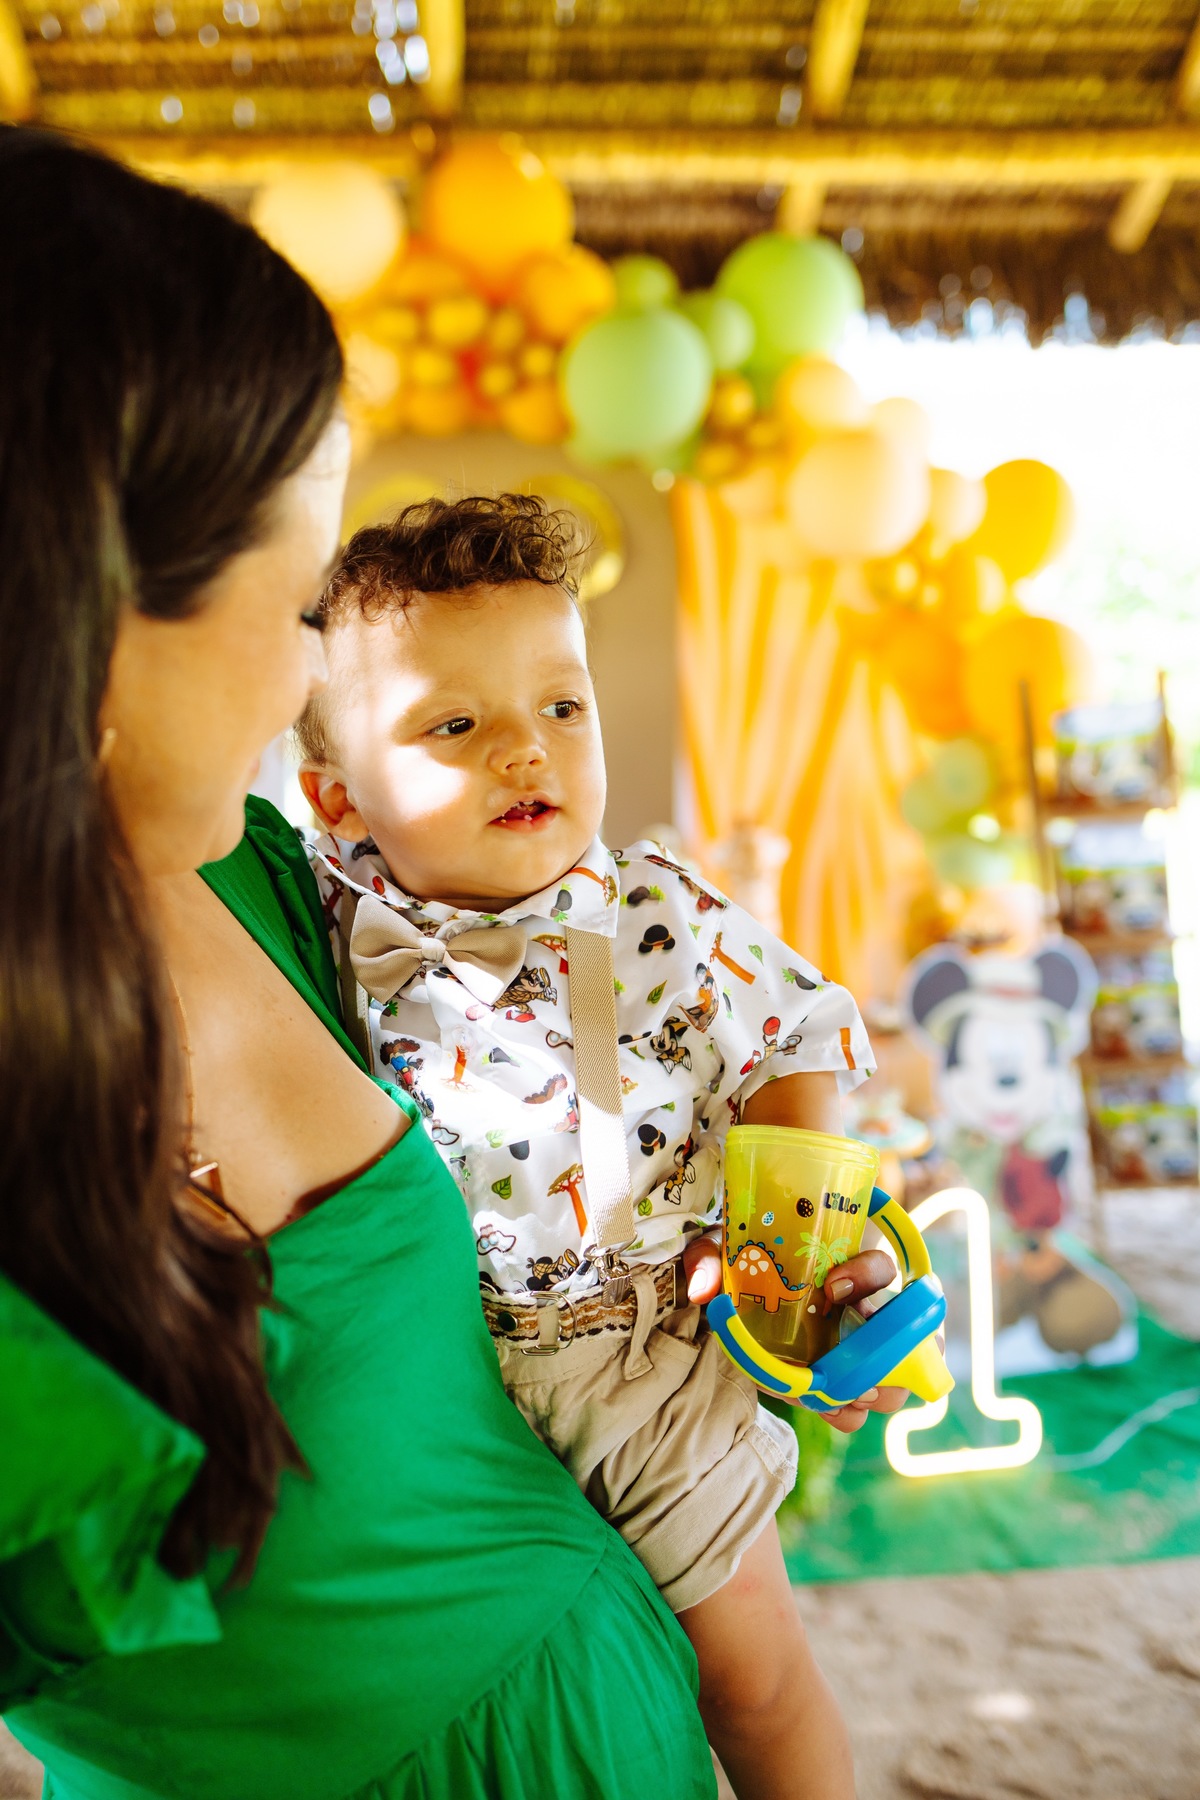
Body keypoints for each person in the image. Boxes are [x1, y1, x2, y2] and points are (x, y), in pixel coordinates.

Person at [1, 127, 744, 1800]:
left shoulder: (279, 885)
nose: (303, 687)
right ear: (87, 611)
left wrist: (701, 1254)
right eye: (296, 612)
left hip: (601, 1708)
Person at [294, 495, 902, 1800]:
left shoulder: (658, 909)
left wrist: (790, 1254)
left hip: (636, 1359)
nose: (526, 748)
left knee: (749, 1675)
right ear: (339, 797)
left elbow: (799, 1033)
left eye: (562, 706)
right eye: (455, 725)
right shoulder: (330, 919)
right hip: (436, 1368)